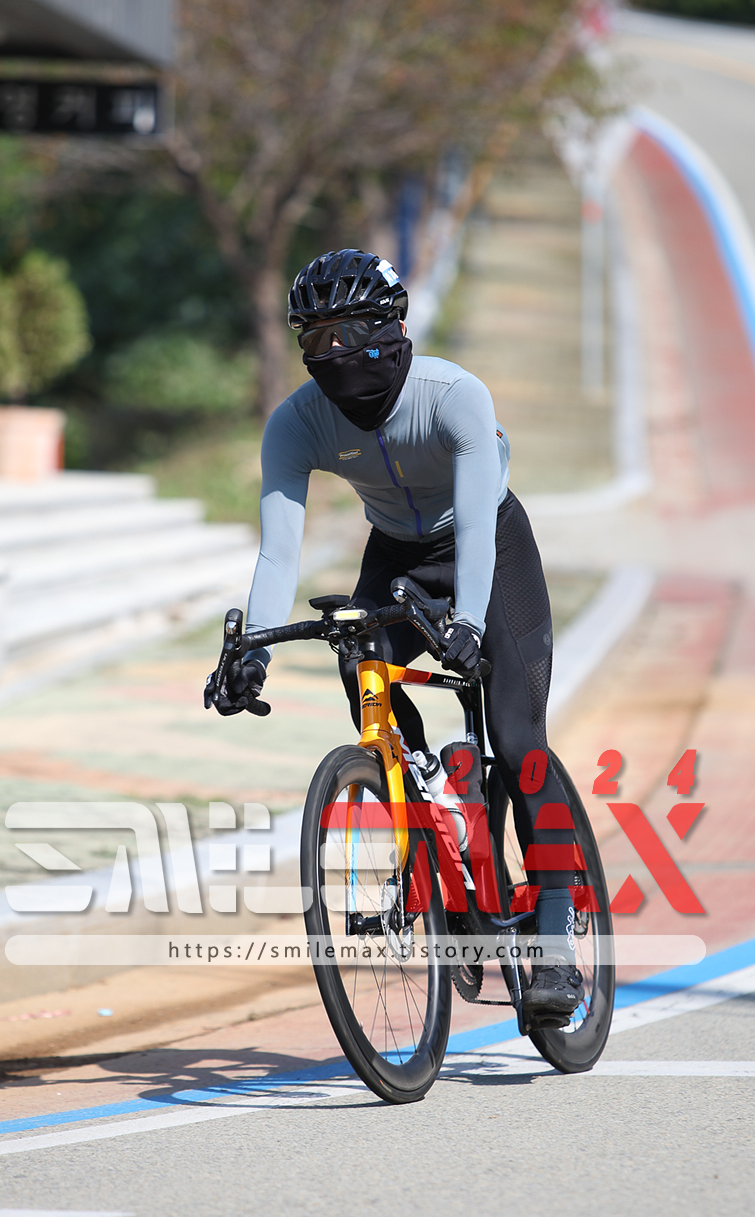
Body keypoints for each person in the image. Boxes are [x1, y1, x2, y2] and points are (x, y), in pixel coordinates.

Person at [210, 247, 584, 1024]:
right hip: (396, 555)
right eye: (316, 340)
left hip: (489, 548)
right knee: (361, 665)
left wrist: (470, 623)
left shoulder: (454, 395)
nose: (334, 353)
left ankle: (555, 942)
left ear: (394, 330)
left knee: (519, 742)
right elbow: (279, 554)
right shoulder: (296, 424)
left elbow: (475, 526)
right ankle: (428, 799)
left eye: (349, 333)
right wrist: (253, 654)